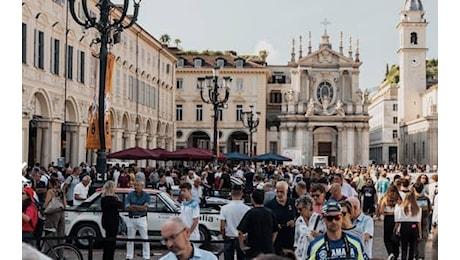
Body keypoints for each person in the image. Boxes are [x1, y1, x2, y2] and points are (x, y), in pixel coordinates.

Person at [238, 189, 279, 259]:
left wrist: (242, 246)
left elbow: (240, 231)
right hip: (268, 249)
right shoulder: (270, 212)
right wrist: (270, 242)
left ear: (253, 199)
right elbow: (276, 230)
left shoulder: (250, 213)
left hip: (253, 250)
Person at [219, 184, 251, 260]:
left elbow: (222, 226)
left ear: (231, 193)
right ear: (241, 193)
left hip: (229, 237)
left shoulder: (224, 208)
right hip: (242, 238)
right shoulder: (247, 209)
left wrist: (223, 235)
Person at [265, 181, 297, 256]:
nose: (279, 194)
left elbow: (300, 216)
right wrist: (274, 225)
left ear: (287, 191)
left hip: (290, 240)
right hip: (276, 241)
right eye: (278, 191)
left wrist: (295, 222)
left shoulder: (293, 202)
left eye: (282, 192)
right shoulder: (269, 205)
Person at [125, 180, 151, 260]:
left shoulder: (146, 195)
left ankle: (146, 256)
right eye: (135, 185)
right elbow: (128, 207)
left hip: (142, 218)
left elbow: (145, 208)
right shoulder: (130, 195)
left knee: (145, 238)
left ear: (142, 186)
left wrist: (134, 206)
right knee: (130, 238)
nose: (136, 187)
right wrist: (140, 207)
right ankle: (129, 256)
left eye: (138, 185)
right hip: (131, 219)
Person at [293, 195, 325, 260]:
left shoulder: (320, 220)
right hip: (300, 256)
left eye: (300, 209)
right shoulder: (299, 220)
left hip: (313, 255)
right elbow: (296, 241)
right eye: (297, 209)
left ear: (307, 208)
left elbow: (327, 238)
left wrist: (318, 236)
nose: (298, 212)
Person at [376, 183, 401, 260]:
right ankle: (396, 253)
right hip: (396, 218)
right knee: (395, 236)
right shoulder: (398, 198)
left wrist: (385, 213)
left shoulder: (385, 198)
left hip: (388, 218)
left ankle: (390, 253)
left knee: (387, 237)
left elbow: (381, 210)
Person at [394, 190, 421, 260]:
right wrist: (420, 233)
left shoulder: (401, 207)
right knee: (412, 247)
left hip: (404, 226)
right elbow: (418, 222)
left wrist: (395, 229)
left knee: (404, 247)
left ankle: (403, 258)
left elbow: (398, 220)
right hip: (414, 226)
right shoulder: (417, 208)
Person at [101, 180, 123, 260]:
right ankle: (109, 257)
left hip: (106, 221)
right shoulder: (111, 199)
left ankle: (106, 257)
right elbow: (120, 205)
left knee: (108, 240)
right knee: (111, 242)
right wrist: (117, 198)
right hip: (112, 221)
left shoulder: (104, 198)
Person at [43, 177, 67, 251]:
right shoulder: (61, 191)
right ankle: (60, 254)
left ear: (50, 183)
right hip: (61, 213)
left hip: (53, 213)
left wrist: (43, 207)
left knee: (51, 233)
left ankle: (51, 253)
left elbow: (46, 202)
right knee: (60, 234)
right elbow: (65, 204)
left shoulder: (50, 191)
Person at [413, 182, 432, 260]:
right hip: (424, 221)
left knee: (414, 239)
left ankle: (415, 255)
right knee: (422, 240)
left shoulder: (413, 199)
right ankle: (421, 256)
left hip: (414, 221)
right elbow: (430, 210)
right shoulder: (426, 199)